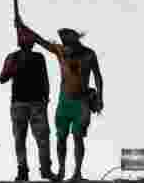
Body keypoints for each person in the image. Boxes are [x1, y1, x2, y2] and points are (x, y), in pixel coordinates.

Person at [15, 18, 103, 183]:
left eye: (70, 45)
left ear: (76, 42)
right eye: (66, 45)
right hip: (64, 102)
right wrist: (23, 27)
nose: (68, 49)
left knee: (78, 136)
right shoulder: (61, 51)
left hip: (82, 101)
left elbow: (98, 76)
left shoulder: (89, 54)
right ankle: (62, 170)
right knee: (61, 137)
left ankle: (77, 172)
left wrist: (100, 97)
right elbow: (40, 40)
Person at [0, 25, 55, 181]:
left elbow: (44, 79)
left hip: (37, 103)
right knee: (20, 138)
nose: (28, 43)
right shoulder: (12, 57)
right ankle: (23, 170)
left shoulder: (38, 57)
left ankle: (45, 169)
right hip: (19, 103)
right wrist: (13, 67)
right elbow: (2, 78)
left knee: (42, 137)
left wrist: (45, 98)